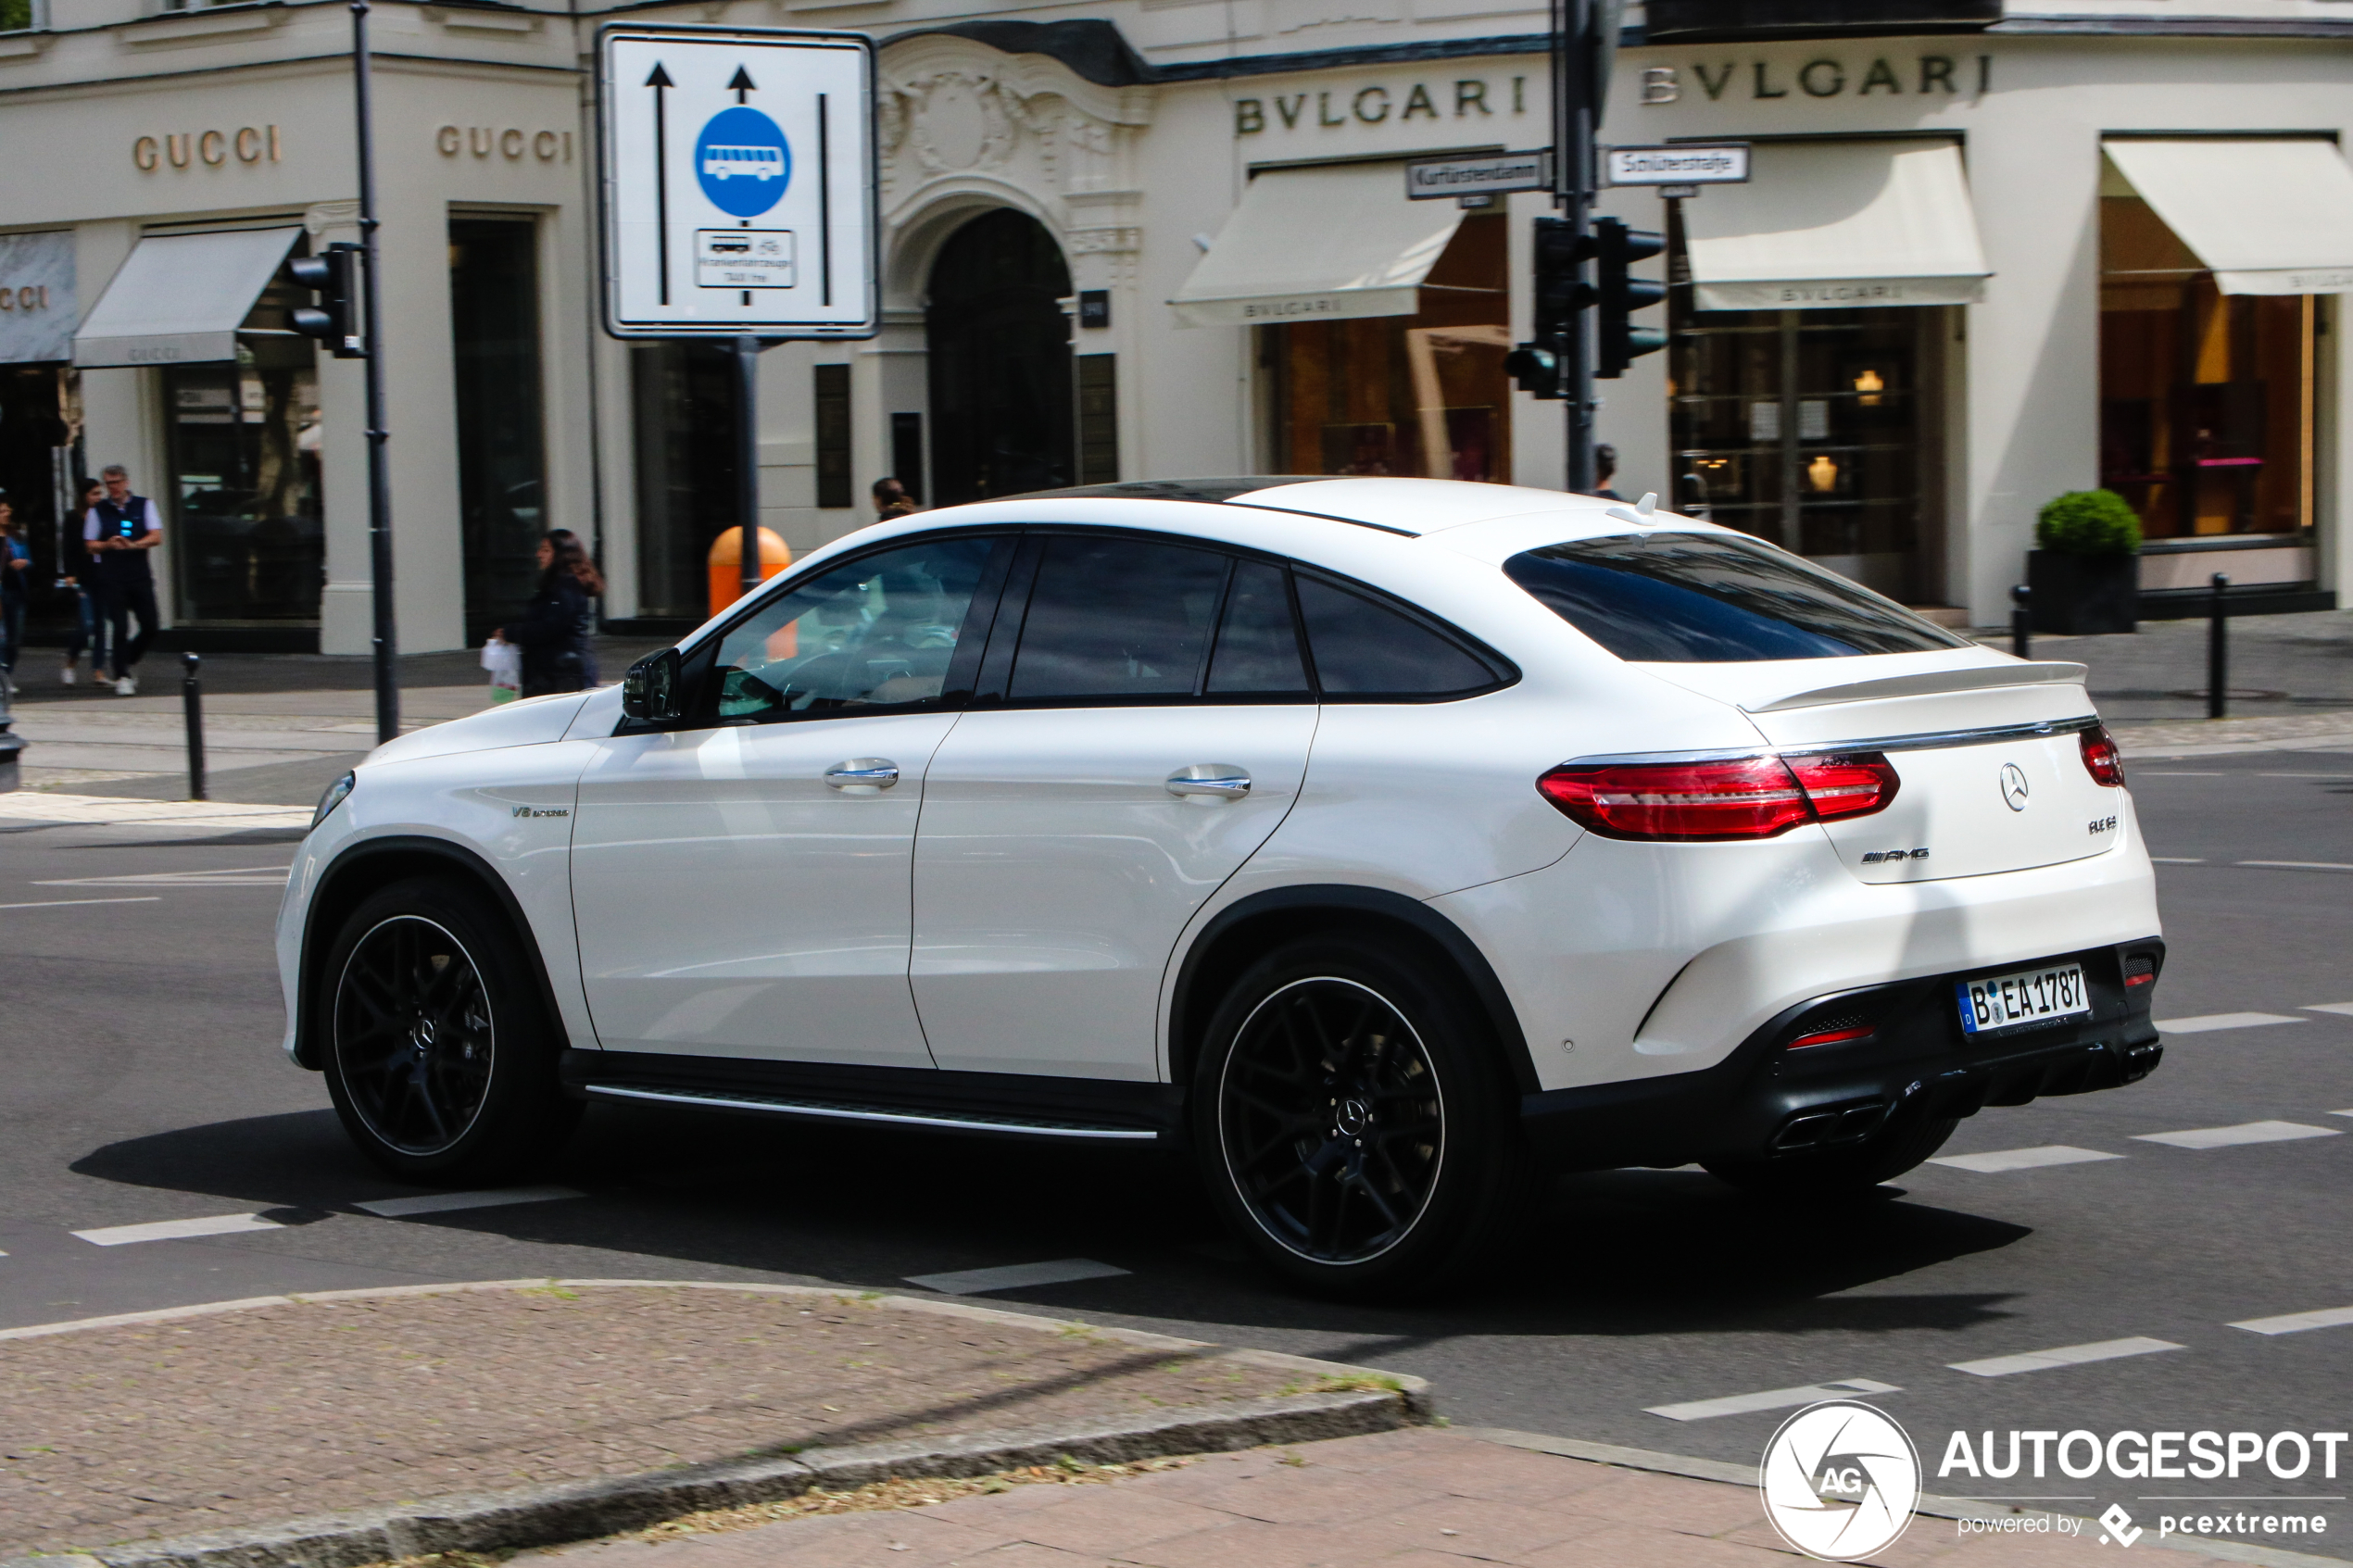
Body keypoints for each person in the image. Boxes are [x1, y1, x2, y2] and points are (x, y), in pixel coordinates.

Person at [494, 528, 603, 697]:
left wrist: (511, 632)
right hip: (555, 672)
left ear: (562, 555)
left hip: (562, 675)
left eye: (545, 550)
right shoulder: (558, 586)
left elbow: (551, 627)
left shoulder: (566, 587)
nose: (538, 554)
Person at [83, 464, 162, 696]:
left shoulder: (143, 505)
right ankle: (122, 675)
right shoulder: (98, 511)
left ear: (126, 482)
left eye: (117, 482)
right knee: (120, 625)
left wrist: (134, 545)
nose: (113, 487)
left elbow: (156, 536)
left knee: (151, 624)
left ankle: (127, 659)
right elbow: (89, 545)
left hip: (138, 573)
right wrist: (108, 544)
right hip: (111, 575)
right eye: (109, 483)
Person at [59, 476, 105, 685]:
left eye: (99, 493)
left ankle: (98, 670)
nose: (98, 497)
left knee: (101, 625)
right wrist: (70, 573)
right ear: (84, 496)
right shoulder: (74, 518)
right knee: (87, 624)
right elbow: (68, 547)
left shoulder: (104, 514)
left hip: (102, 575)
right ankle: (70, 662)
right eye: (94, 494)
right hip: (84, 576)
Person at [0, 492, 29, 692]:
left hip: (16, 590)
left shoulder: (16, 535)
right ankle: (2, 680)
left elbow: (29, 558)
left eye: (7, 510)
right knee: (1, 638)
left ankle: (7, 675)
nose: (6, 513)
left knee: (15, 638)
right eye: (2, 511)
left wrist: (25, 562)